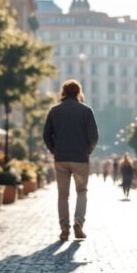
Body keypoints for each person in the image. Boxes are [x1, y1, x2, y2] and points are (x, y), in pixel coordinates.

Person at [43, 79, 99, 241]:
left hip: (61, 159)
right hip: (80, 159)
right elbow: (94, 136)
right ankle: (78, 223)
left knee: (63, 195)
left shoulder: (54, 111)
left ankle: (64, 228)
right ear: (78, 93)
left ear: (63, 92)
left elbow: (46, 135)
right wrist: (87, 150)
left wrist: (55, 150)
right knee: (81, 191)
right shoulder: (86, 111)